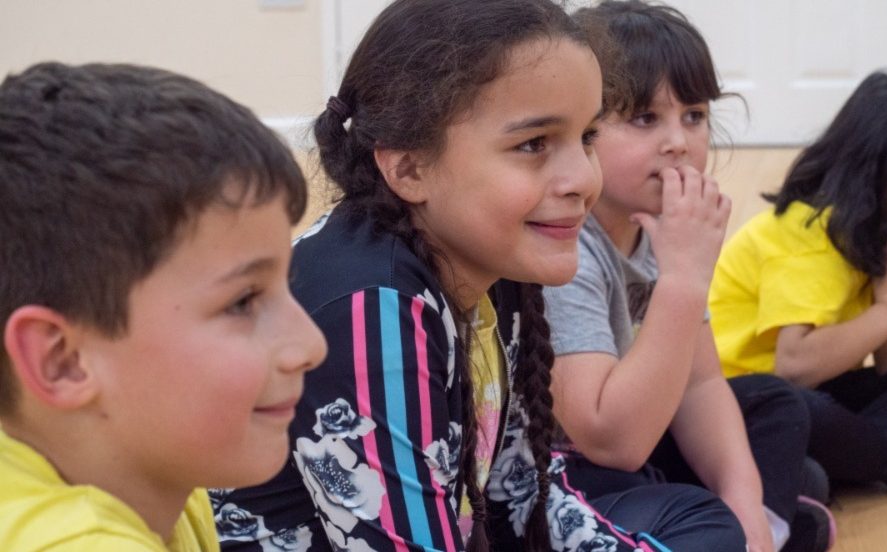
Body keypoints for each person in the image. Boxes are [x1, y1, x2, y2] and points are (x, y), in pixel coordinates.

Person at [213, 0, 746, 550]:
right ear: (409, 166)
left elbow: (519, 501)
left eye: (586, 137)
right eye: (534, 144)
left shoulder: (493, 266)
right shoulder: (372, 308)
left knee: (707, 528)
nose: (582, 180)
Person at [0, 62, 327, 551]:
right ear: (63, 360)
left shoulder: (152, 474)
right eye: (242, 302)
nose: (311, 346)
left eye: (286, 285)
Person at [543, 2, 831, 551]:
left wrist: (744, 502)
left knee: (775, 407)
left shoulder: (663, 230)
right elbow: (610, 443)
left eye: (694, 115)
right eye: (646, 118)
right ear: (582, 130)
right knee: (742, 494)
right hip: (573, 469)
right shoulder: (568, 244)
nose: (679, 140)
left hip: (638, 433)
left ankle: (759, 527)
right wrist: (684, 278)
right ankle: (762, 523)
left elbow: (700, 384)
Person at [709, 70, 887, 490]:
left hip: (818, 395)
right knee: (806, 414)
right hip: (748, 406)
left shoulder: (884, 232)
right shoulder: (809, 229)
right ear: (868, 175)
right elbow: (795, 368)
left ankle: (856, 456)